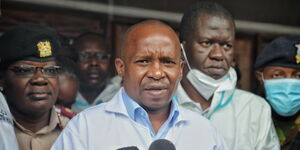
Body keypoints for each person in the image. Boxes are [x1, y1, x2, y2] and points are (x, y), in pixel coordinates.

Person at [51, 20, 228, 150]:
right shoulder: (86, 127)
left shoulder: (205, 131)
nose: (157, 73)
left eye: (167, 62)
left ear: (181, 69)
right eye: (144, 61)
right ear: (121, 68)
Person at [175, 1, 279, 149]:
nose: (218, 55)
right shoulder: (158, 104)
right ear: (182, 49)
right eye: (206, 43)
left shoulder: (254, 109)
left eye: (227, 45)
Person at [0, 24, 70, 150]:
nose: (40, 79)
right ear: (2, 79)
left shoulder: (76, 126)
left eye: (50, 70)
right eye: (25, 70)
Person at [255, 36, 300, 150]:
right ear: (260, 77)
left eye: (299, 76)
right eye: (277, 75)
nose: (290, 83)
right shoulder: (247, 117)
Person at [71, 32, 121, 113]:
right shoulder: (63, 95)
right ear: (73, 60)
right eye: (84, 56)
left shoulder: (121, 92)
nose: (94, 63)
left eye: (101, 57)